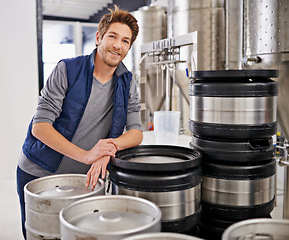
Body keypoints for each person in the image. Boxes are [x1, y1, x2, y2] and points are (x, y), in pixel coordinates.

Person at [16, 5, 143, 239]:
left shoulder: (127, 81)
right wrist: (87, 155)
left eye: (125, 41)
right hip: (41, 174)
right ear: (98, 37)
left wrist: (108, 149)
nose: (118, 45)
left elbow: (136, 132)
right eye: (113, 36)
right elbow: (40, 126)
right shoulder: (67, 69)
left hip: (87, 180)